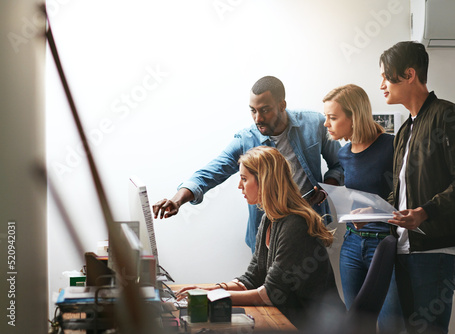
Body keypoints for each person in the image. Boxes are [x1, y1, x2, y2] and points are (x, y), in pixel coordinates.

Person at [153, 76, 343, 252]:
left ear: (282, 105)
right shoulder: (246, 139)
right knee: (266, 286)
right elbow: (211, 172)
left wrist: (326, 189)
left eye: (265, 110)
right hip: (268, 236)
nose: (258, 118)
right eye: (253, 111)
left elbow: (339, 165)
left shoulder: (315, 123)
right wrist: (177, 200)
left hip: (309, 227)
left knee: (310, 285)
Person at [176, 146, 344, 329]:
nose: (239, 186)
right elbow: (252, 277)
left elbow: (271, 294)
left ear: (264, 181)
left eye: (244, 179)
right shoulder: (269, 218)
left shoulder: (295, 224)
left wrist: (214, 297)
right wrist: (214, 289)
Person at [380, 41, 455, 333]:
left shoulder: (450, 116)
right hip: (400, 248)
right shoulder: (403, 130)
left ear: (409, 74)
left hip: (435, 251)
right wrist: (375, 210)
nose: (382, 84)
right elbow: (399, 191)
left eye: (386, 76)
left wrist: (424, 212)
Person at [323, 84, 405, 333]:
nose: (326, 124)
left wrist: (374, 213)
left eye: (333, 118)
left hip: (384, 246)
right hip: (351, 246)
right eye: (326, 117)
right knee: (356, 326)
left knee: (390, 325)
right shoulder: (344, 154)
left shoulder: (392, 146)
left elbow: (407, 198)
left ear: (354, 116)